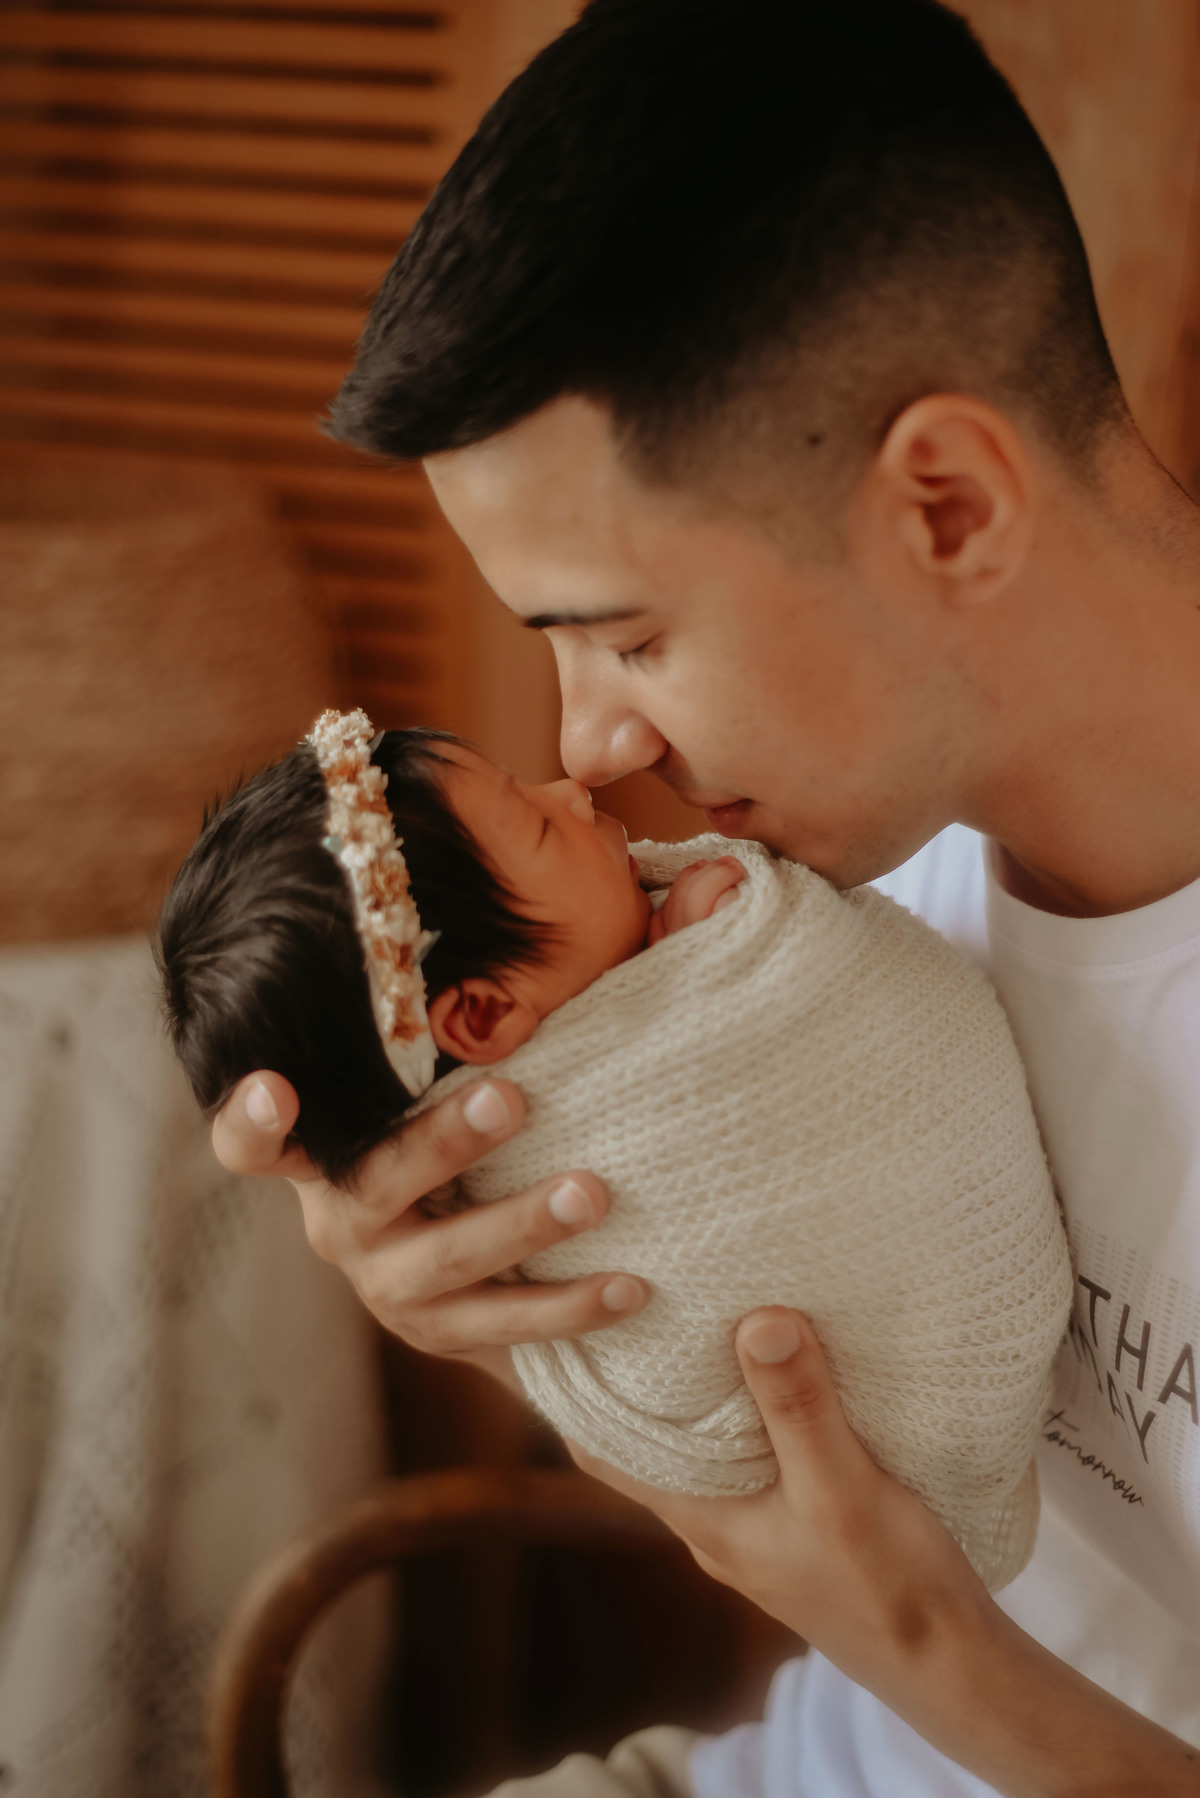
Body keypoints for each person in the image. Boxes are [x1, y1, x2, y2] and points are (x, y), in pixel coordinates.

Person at [212, 0, 1200, 1792]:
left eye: (632, 636)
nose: (589, 750)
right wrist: (495, 1278)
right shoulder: (798, 916)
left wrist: (927, 1648)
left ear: (949, 507)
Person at [160, 709, 1068, 1578]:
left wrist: (696, 951)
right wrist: (713, 945)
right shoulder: (495, 1163)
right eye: (538, 826)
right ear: (484, 1017)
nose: (573, 786)